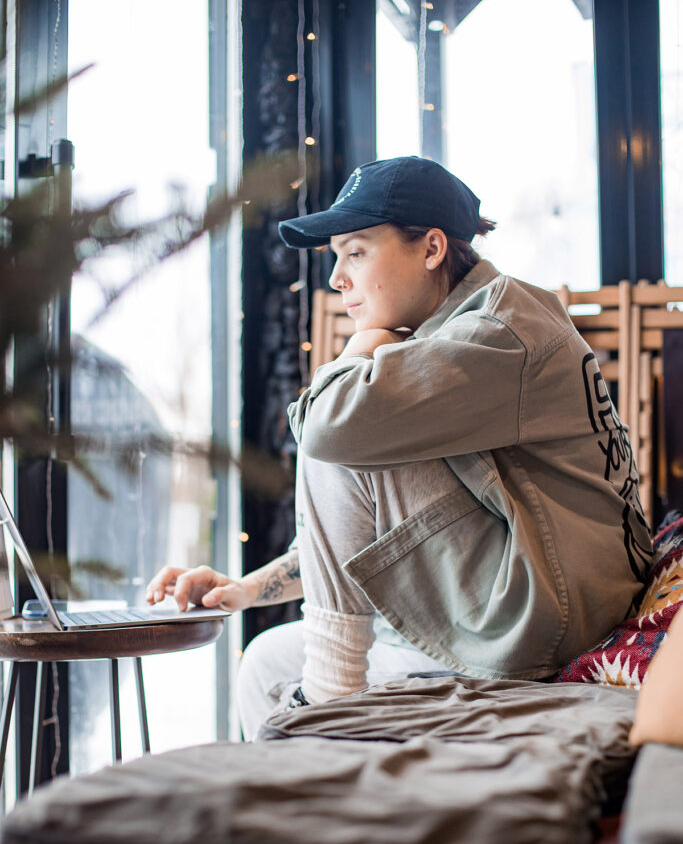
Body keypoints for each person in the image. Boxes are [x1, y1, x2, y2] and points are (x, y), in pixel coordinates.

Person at [147, 155, 652, 740]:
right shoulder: (453, 333)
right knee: (266, 658)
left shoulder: (499, 332)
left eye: (356, 252)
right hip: (530, 596)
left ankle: (330, 700)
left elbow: (328, 431)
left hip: (544, 618)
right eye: (337, 257)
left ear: (432, 248)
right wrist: (252, 588)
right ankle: (326, 793)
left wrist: (360, 346)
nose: (337, 278)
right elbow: (366, 514)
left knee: (341, 420)